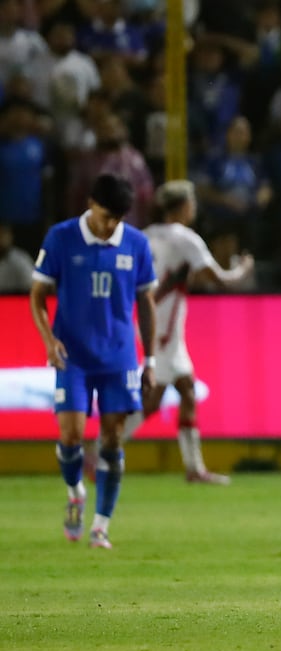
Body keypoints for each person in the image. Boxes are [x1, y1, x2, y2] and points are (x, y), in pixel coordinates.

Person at [29, 174, 158, 550]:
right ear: (89, 203)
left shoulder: (136, 243)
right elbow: (37, 294)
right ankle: (75, 494)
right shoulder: (61, 237)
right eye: (105, 216)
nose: (110, 225)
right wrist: (49, 340)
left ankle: (101, 526)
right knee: (70, 436)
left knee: (113, 437)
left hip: (118, 357)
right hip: (73, 356)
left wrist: (147, 358)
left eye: (118, 218)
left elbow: (145, 303)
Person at [110, 181, 254, 484]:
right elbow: (221, 280)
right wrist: (243, 268)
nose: (194, 210)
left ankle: (194, 468)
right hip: (164, 328)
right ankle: (103, 449)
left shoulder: (145, 235)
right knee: (153, 399)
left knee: (187, 390)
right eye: (192, 204)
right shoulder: (186, 239)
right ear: (183, 208)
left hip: (152, 320)